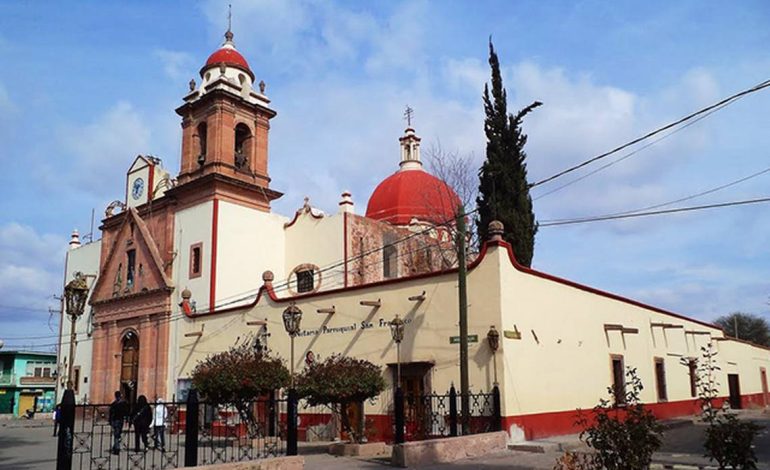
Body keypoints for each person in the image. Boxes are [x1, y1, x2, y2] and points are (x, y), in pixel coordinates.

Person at [108, 391, 129, 455]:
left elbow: (110, 413)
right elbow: (126, 412)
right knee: (117, 434)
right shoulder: (123, 403)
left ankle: (115, 446)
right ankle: (117, 448)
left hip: (115, 420)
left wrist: (110, 421)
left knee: (117, 434)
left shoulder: (113, 404)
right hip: (119, 420)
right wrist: (127, 419)